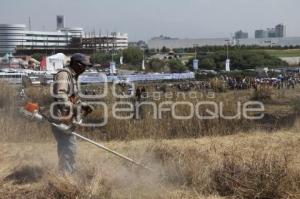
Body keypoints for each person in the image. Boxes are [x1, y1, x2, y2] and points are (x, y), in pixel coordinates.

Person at [51, 53, 93, 174]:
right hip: (61, 119)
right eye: (84, 66)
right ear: (77, 64)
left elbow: (72, 97)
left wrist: (82, 105)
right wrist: (74, 108)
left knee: (66, 148)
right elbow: (61, 96)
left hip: (66, 119)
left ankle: (66, 173)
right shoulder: (64, 75)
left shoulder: (72, 76)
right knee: (69, 148)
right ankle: (67, 178)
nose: (85, 69)